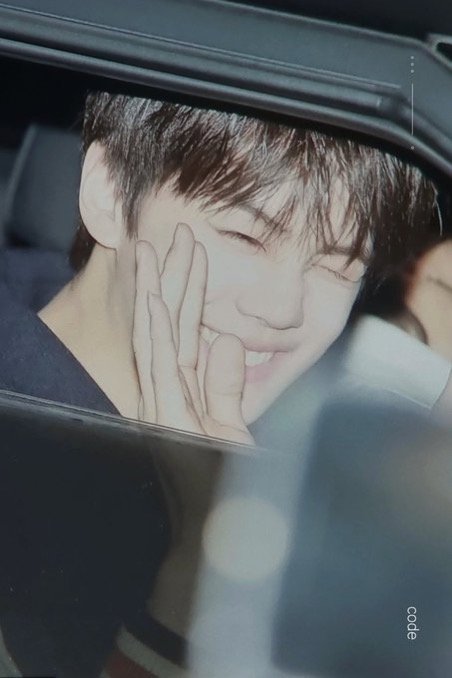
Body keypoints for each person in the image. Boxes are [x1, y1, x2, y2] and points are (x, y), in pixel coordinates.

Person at [0, 91, 447, 677]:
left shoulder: (303, 464)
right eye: (244, 237)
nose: (283, 308)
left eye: (338, 267)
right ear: (109, 192)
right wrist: (195, 576)